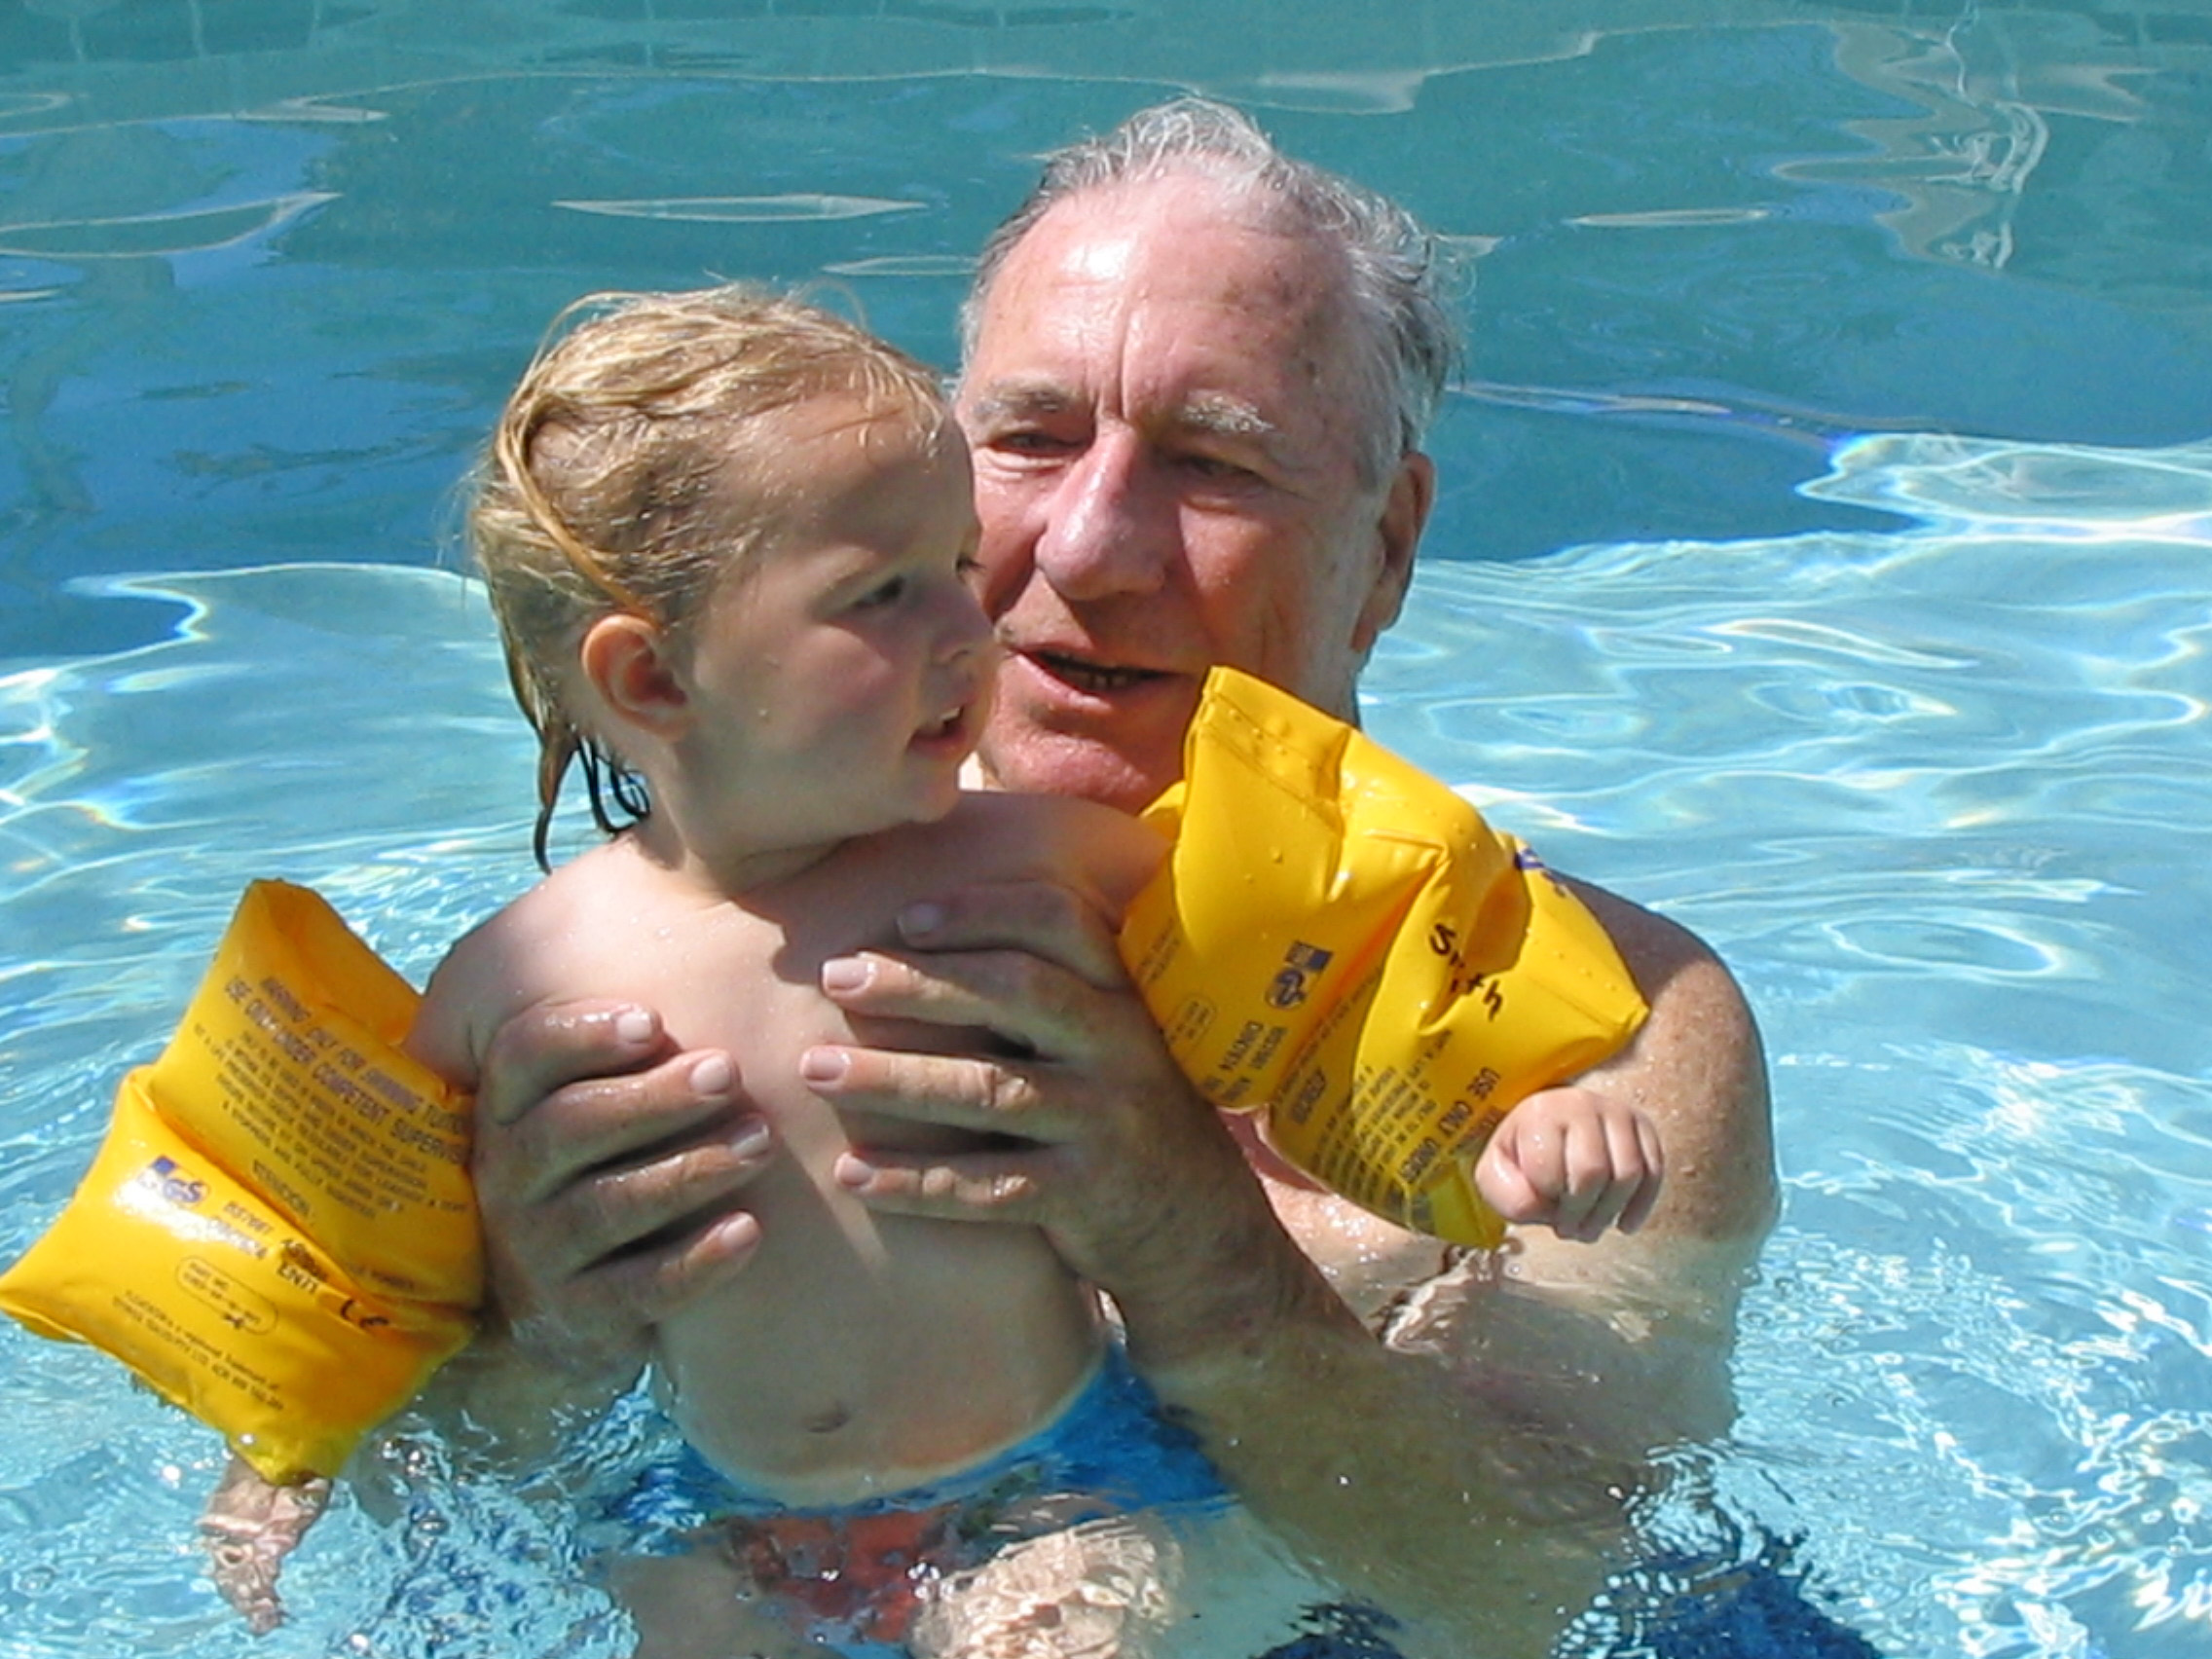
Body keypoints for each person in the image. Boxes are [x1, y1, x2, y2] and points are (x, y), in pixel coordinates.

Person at [461, 103, 1780, 1658]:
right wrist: (537, 1341)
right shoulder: (675, 953)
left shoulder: (1612, 1031)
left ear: (1390, 546)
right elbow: (445, 1489)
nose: (1089, 548)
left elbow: (1532, 1592)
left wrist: (1194, 1248)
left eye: (1213, 466)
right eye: (1028, 441)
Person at [204, 280, 1668, 1655]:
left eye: (958, 567)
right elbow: (388, 1273)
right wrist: (292, 1447)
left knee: (1068, 1627)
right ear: (651, 677)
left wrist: (1519, 1112)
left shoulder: (1039, 867)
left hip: (1063, 1483)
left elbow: (1324, 1007)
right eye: (883, 593)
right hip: (719, 1506)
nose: (976, 626)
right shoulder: (517, 976)